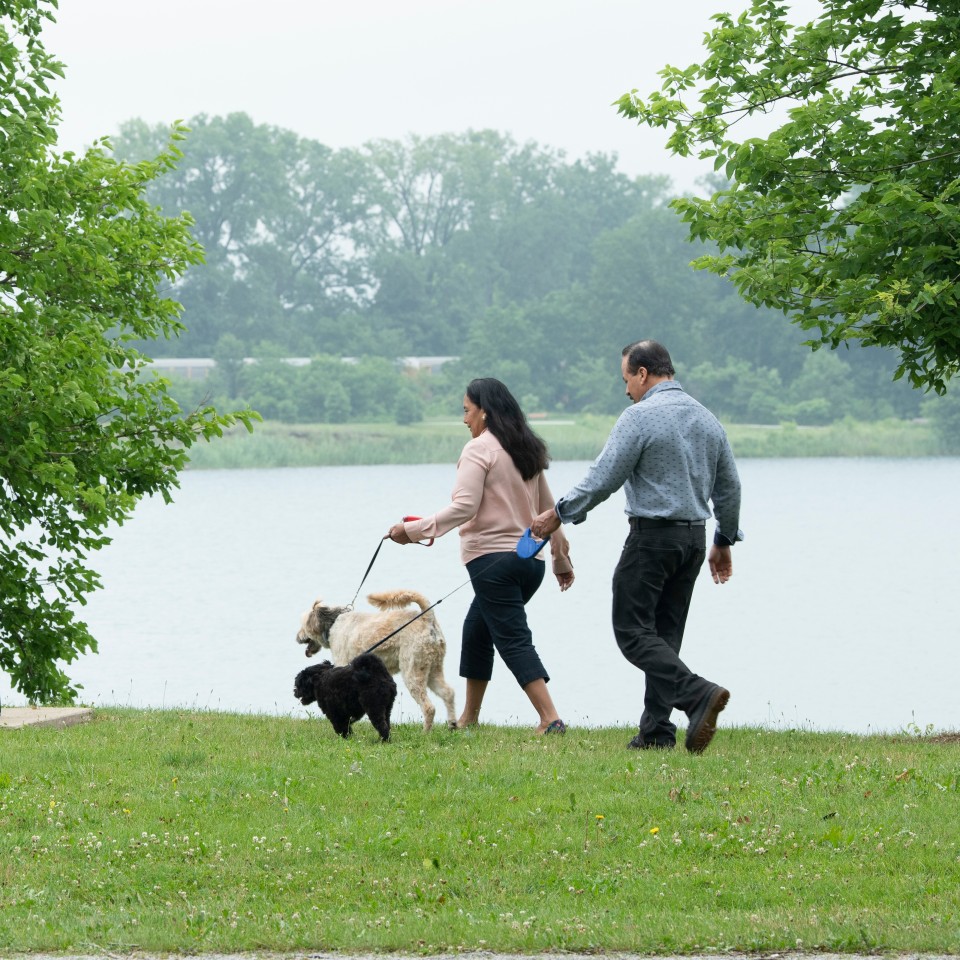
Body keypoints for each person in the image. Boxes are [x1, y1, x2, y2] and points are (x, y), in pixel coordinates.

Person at [531, 340, 742, 754]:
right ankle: (657, 731)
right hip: (694, 540)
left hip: (652, 539)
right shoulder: (707, 419)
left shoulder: (639, 417)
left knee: (631, 631)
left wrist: (558, 513)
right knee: (665, 635)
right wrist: (724, 540)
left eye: (626, 378)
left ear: (643, 373)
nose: (626, 389)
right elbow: (730, 487)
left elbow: (603, 477)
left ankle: (697, 694)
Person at [386, 378, 574, 735]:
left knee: (512, 637)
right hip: (528, 562)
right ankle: (468, 717)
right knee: (477, 629)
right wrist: (560, 556)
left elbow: (464, 506)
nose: (464, 419)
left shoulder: (479, 449)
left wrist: (410, 533)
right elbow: (550, 511)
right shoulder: (525, 447)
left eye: (466, 410)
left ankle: (551, 718)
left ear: (484, 412)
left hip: (493, 562)